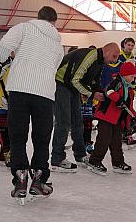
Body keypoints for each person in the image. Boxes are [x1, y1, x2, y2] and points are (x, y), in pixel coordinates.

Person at [0, 6, 63, 200]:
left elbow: (5, 47)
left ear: (38, 17)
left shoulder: (23, 28)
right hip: (45, 93)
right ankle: (40, 179)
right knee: (41, 138)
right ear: (54, 22)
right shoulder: (58, 42)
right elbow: (55, 65)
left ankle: (20, 176)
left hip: (19, 89)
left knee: (18, 136)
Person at [51, 42, 120, 173]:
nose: (114, 60)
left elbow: (94, 81)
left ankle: (80, 155)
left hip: (71, 88)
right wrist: (92, 94)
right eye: (114, 56)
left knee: (78, 122)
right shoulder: (91, 56)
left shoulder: (100, 62)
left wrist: (100, 92)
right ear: (106, 51)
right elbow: (75, 80)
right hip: (61, 85)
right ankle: (57, 158)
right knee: (63, 122)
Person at [86, 62, 136, 175]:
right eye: (131, 76)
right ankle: (94, 161)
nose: (133, 78)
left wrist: (134, 116)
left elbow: (128, 106)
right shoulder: (117, 82)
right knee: (103, 140)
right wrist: (118, 99)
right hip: (107, 117)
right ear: (124, 75)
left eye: (134, 76)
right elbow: (109, 91)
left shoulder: (129, 89)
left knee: (117, 142)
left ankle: (118, 163)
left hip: (117, 119)